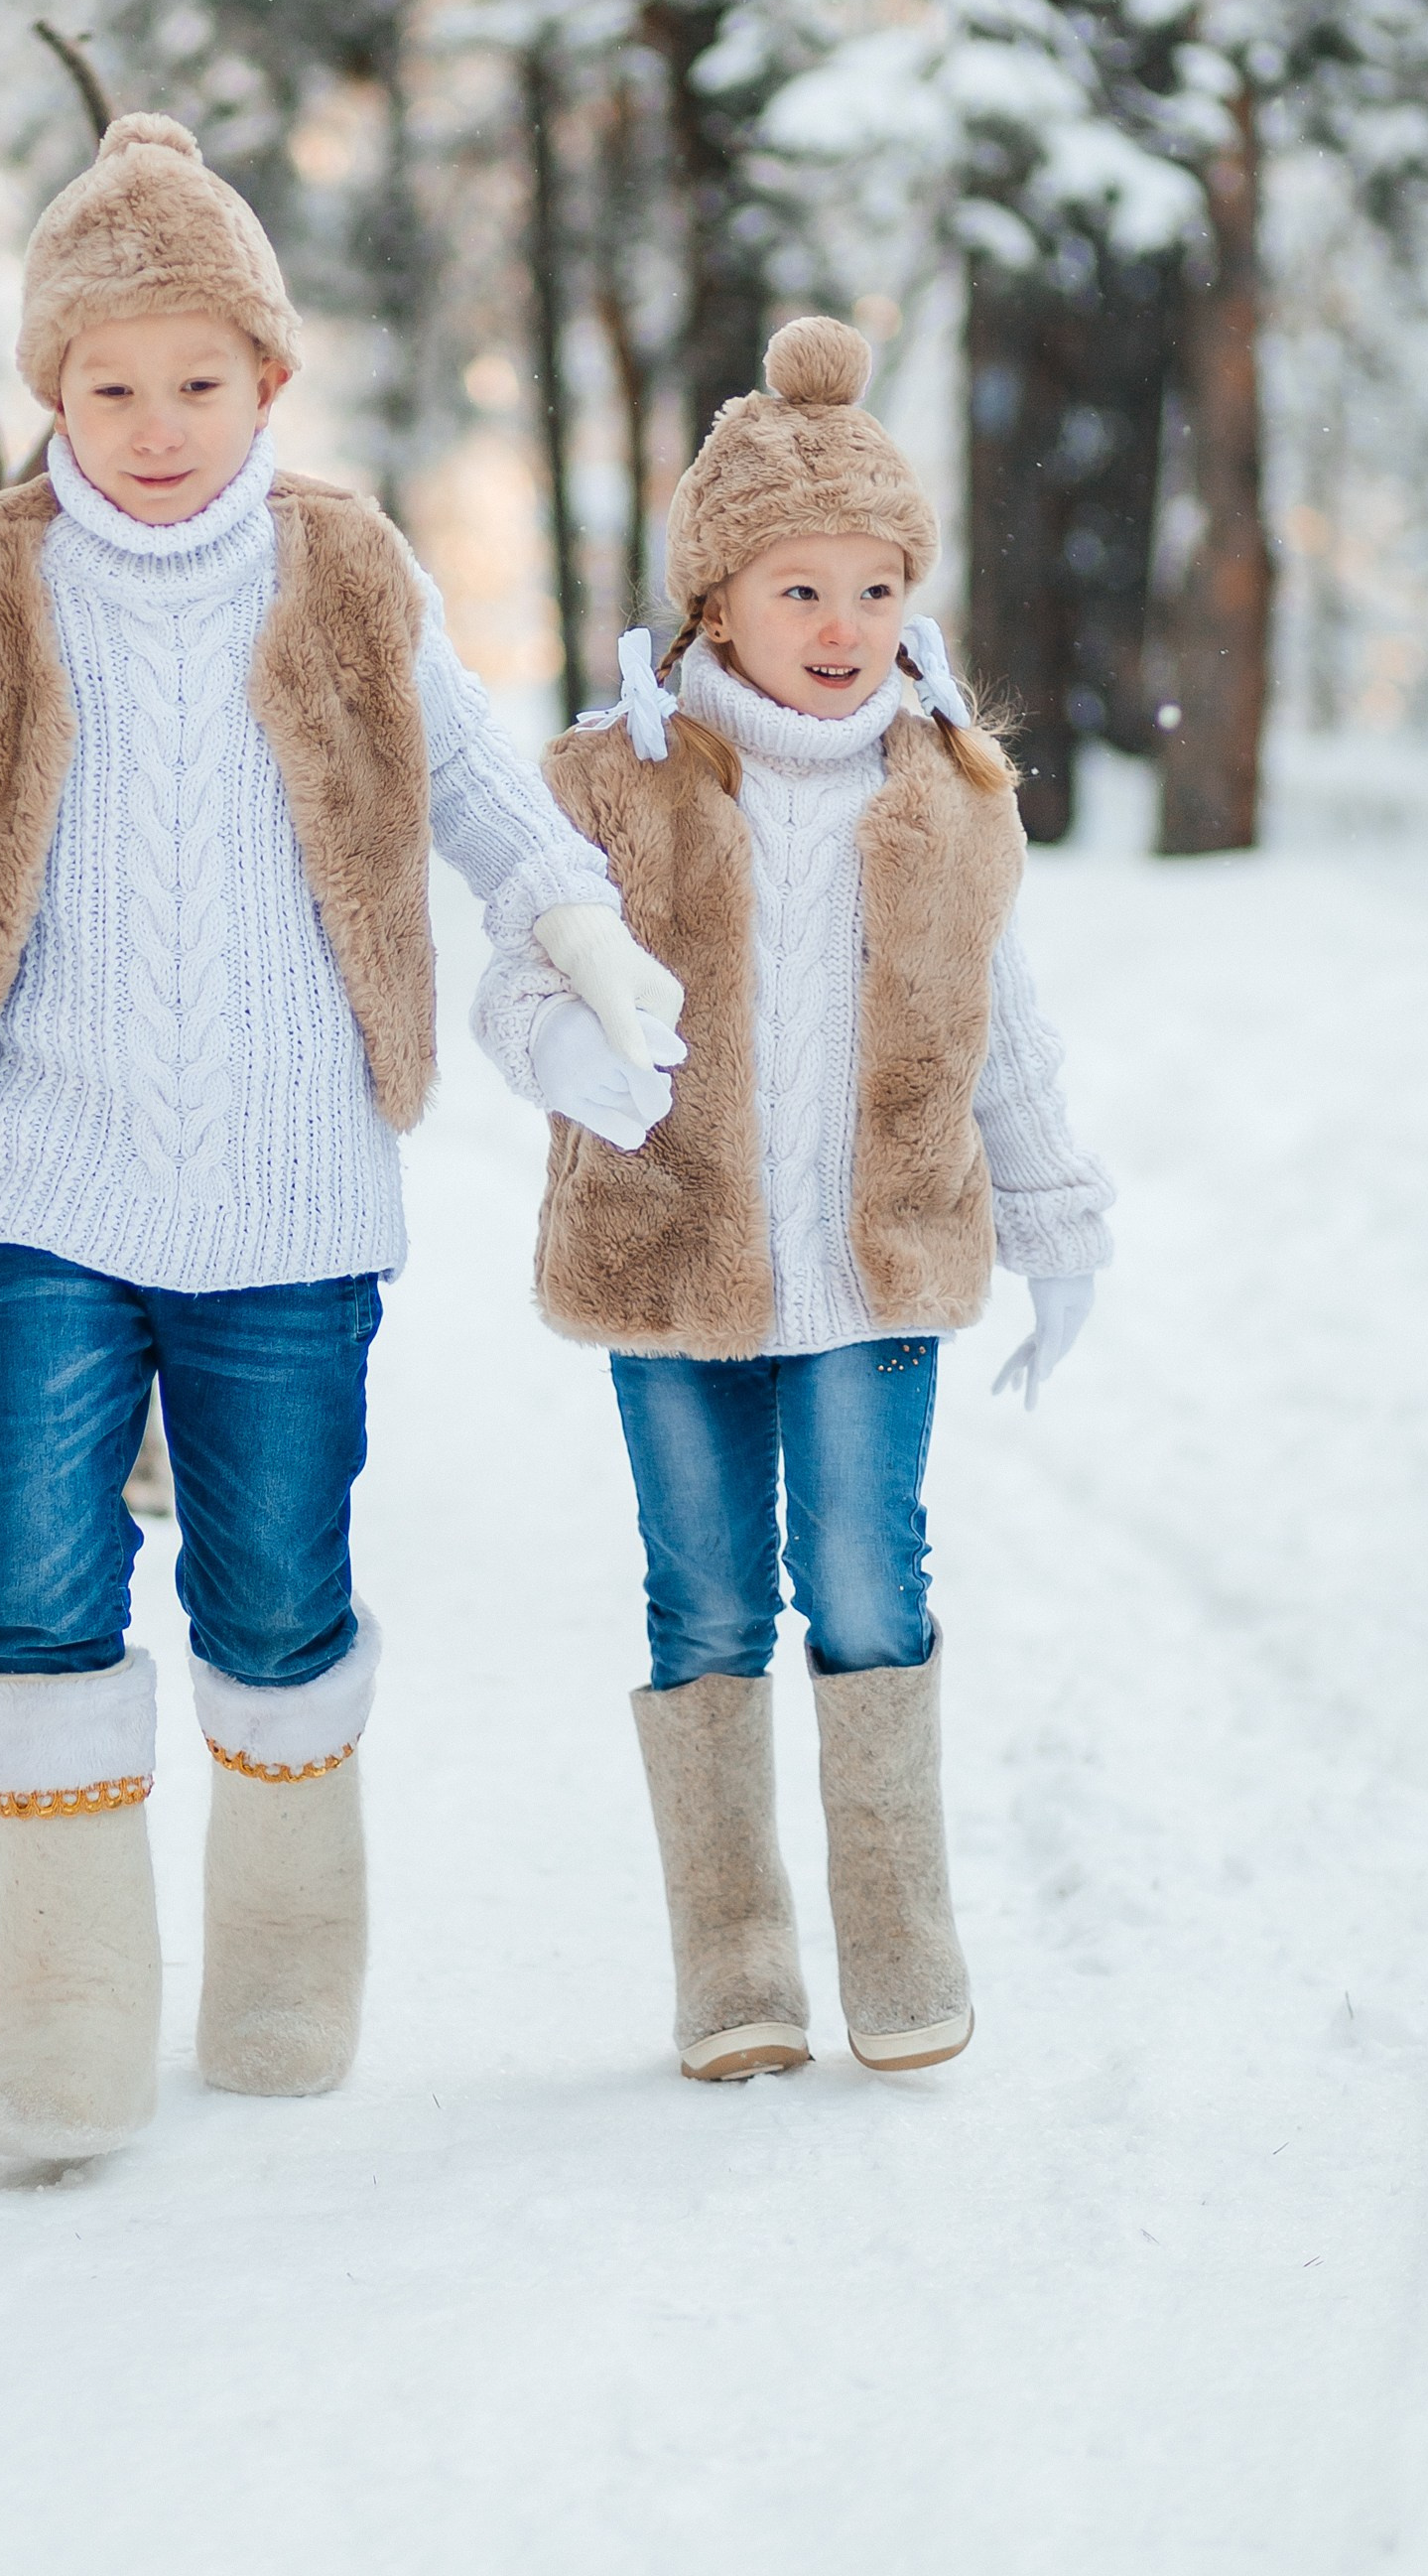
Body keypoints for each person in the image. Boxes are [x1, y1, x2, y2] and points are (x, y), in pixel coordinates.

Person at [0, 110, 673, 2161]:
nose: (155, 429)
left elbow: (476, 785)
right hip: (43, 1176)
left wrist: (579, 926)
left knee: (272, 1580)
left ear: (268, 378)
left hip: (291, 1186)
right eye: (109, 387)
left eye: (197, 384)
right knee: (33, 1566)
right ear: (50, 391)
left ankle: (283, 1957)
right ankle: (65, 2017)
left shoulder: (342, 565)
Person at [475, 314, 1113, 2082]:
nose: (842, 629)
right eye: (799, 591)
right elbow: (516, 977)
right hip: (670, 1261)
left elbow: (1001, 1029)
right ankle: (735, 1959)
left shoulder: (949, 794)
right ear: (716, 602)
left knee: (860, 1574)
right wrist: (572, 1051)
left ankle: (898, 1938)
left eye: (873, 591)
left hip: (873, 1262)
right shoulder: (612, 778)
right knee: (700, 1598)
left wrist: (1057, 1221)